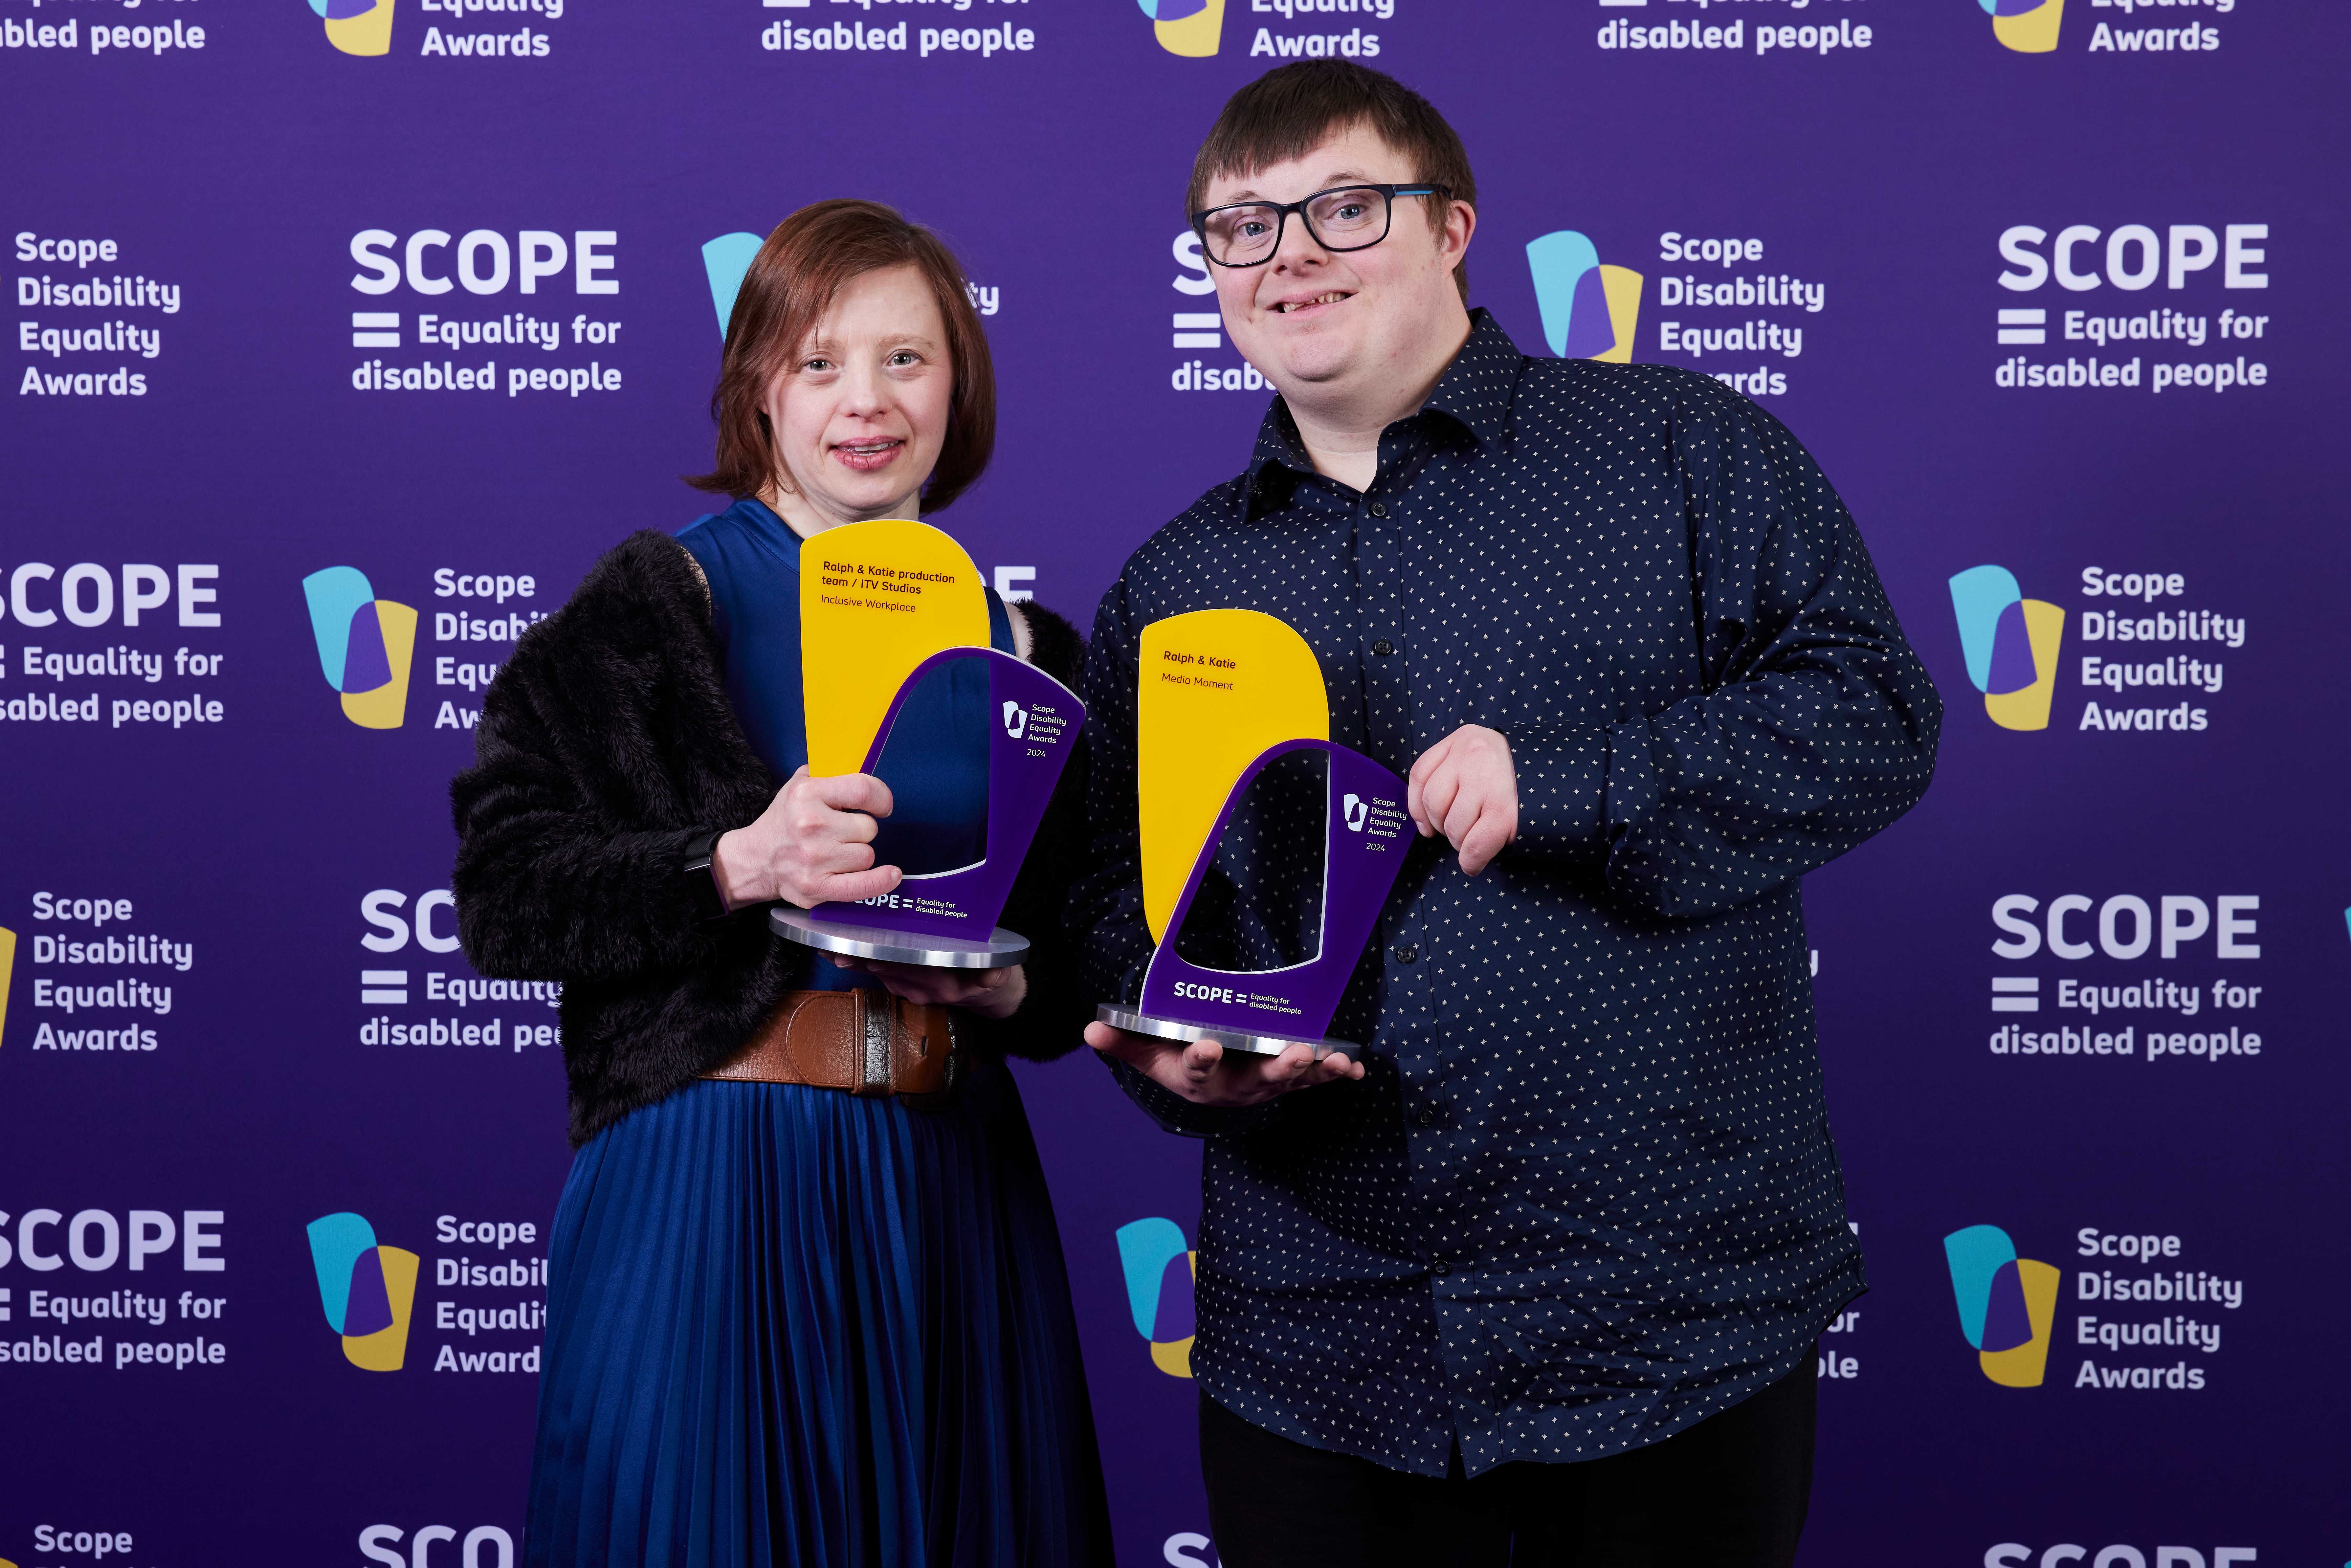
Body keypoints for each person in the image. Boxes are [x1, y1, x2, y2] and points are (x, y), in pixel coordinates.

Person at [1076, 63, 1941, 1567]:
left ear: (1452, 227)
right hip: (1317, 1346)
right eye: (1241, 227)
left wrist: (1576, 780)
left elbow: (1874, 713)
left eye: (1344, 209)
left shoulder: (1675, 447)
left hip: (1663, 1318)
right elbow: (1109, 895)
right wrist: (1179, 1055)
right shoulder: (1170, 584)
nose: (1288, 255)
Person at [451, 199, 1113, 1568]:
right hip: (709, 1185)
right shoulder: (662, 600)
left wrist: (1019, 992)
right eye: (820, 362)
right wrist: (735, 863)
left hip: (952, 1183)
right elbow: (507, 890)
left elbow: (1073, 948)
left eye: (905, 359)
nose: (865, 401)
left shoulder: (1026, 647)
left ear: (959, 383)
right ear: (759, 386)